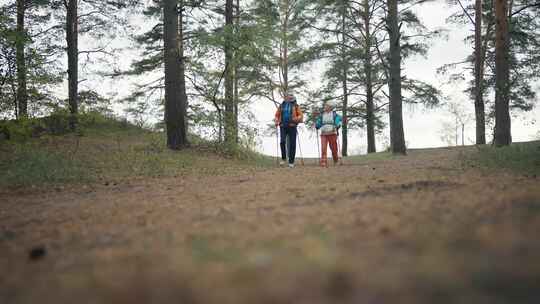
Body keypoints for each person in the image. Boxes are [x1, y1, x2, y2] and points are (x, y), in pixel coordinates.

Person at [274, 94, 304, 168]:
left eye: (290, 97)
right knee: (282, 141)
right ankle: (284, 158)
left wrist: (296, 119)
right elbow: (277, 115)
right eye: (287, 97)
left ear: (293, 98)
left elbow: (301, 116)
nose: (288, 98)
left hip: (292, 126)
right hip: (283, 125)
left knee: (292, 144)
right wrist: (276, 121)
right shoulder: (282, 105)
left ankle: (291, 162)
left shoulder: (296, 106)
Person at [315, 101, 342, 167]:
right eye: (325, 105)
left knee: (333, 148)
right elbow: (319, 121)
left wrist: (338, 124)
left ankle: (335, 160)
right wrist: (317, 124)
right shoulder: (322, 115)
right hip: (324, 133)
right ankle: (323, 161)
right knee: (323, 147)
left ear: (330, 107)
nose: (325, 107)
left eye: (326, 106)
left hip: (332, 132)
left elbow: (338, 121)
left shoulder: (335, 115)